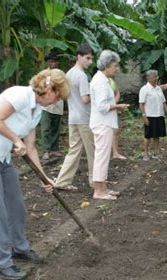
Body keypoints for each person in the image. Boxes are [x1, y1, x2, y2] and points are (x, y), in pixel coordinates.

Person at [0, 68, 70, 280]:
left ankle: (19, 248)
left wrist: (45, 178)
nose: (57, 100)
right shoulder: (19, 95)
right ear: (49, 89)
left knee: (16, 206)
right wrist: (16, 140)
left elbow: (30, 147)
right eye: (58, 95)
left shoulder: (37, 110)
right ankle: (1, 263)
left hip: (3, 158)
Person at [90, 50, 129, 200]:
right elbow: (101, 106)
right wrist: (117, 107)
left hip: (104, 122)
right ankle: (99, 191)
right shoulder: (99, 81)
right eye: (114, 66)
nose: (116, 68)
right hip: (102, 123)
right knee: (101, 157)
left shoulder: (103, 79)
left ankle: (103, 188)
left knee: (103, 157)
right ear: (106, 66)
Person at [54, 44, 94, 191]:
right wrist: (95, 95)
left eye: (91, 59)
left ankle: (62, 181)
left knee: (74, 150)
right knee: (92, 151)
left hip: (73, 117)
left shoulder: (69, 73)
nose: (90, 62)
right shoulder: (82, 76)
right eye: (87, 58)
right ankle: (95, 181)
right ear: (79, 57)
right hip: (84, 118)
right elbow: (85, 99)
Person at [139, 70, 167, 161]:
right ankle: (145, 153)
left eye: (157, 76)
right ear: (149, 78)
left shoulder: (158, 89)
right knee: (148, 135)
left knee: (157, 135)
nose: (157, 78)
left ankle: (156, 153)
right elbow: (141, 104)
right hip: (150, 115)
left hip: (159, 115)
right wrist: (144, 116)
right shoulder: (144, 89)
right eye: (155, 76)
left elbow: (163, 102)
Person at [41, 52, 64, 160]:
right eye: (51, 61)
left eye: (54, 61)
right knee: (46, 128)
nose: (53, 63)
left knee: (56, 128)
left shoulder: (61, 74)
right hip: (46, 105)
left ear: (57, 62)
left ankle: (54, 149)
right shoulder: (43, 74)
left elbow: (65, 87)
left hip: (58, 104)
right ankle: (46, 150)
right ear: (48, 62)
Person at [110, 77, 127, 160]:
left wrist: (114, 102)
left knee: (116, 131)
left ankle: (115, 152)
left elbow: (117, 92)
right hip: (104, 110)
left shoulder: (112, 81)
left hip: (113, 108)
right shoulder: (98, 81)